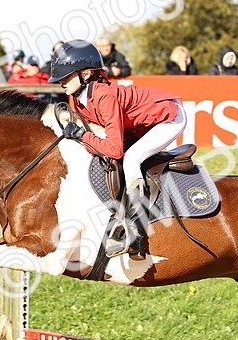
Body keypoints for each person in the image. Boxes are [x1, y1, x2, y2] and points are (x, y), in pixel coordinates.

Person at [50, 39, 184, 259]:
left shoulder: (103, 95)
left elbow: (114, 149)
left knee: (131, 158)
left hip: (169, 117)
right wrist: (82, 139)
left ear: (85, 74)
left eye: (65, 77)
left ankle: (134, 231)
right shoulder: (78, 100)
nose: (60, 83)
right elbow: (96, 144)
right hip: (140, 125)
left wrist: (83, 136)